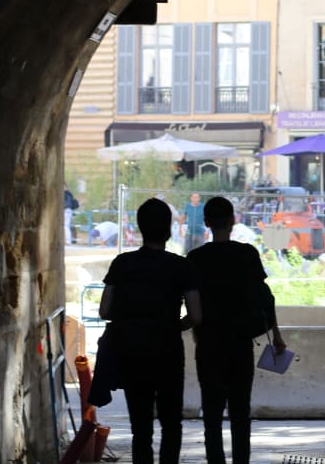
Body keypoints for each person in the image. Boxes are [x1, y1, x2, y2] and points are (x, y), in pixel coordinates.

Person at [98, 198, 202, 464]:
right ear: (168, 230)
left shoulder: (122, 263)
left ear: (140, 228)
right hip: (167, 349)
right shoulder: (181, 266)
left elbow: (105, 311)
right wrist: (173, 326)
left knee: (140, 428)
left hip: (132, 350)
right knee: (171, 424)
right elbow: (196, 315)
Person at [187, 196, 286, 464]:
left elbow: (191, 308)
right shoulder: (247, 255)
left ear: (206, 222)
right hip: (240, 345)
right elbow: (266, 297)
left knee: (212, 415)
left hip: (207, 346)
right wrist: (276, 335)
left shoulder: (195, 259)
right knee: (241, 412)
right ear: (233, 220)